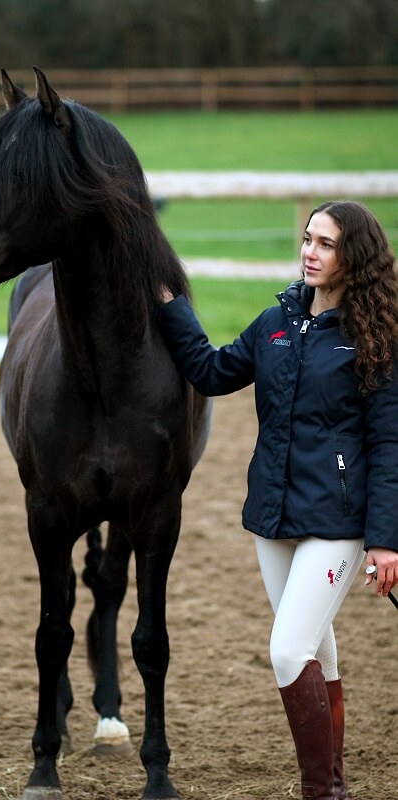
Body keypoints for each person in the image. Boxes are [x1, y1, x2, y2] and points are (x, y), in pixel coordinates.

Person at [158, 200, 398, 800]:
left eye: (326, 244)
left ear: (355, 258)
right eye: (308, 239)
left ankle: (318, 792)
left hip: (337, 522)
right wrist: (172, 307)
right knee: (317, 650)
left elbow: (389, 442)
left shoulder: (374, 337)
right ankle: (336, 786)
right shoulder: (275, 323)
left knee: (288, 650)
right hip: (273, 515)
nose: (310, 252)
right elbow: (210, 372)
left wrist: (387, 538)